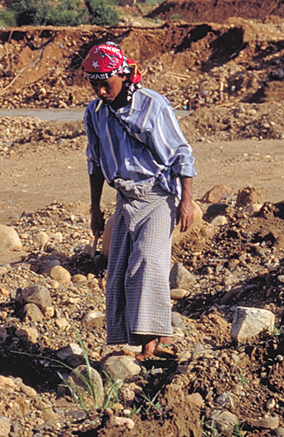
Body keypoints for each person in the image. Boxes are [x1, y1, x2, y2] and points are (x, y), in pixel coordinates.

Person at [82, 42, 196, 361]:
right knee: (119, 270)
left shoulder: (153, 105)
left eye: (107, 84)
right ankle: (136, 339)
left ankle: (155, 342)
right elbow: (94, 161)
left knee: (148, 260)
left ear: (123, 75)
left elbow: (181, 153)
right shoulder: (95, 113)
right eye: (95, 85)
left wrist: (186, 200)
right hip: (125, 198)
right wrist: (95, 208)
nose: (101, 91)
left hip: (159, 195)